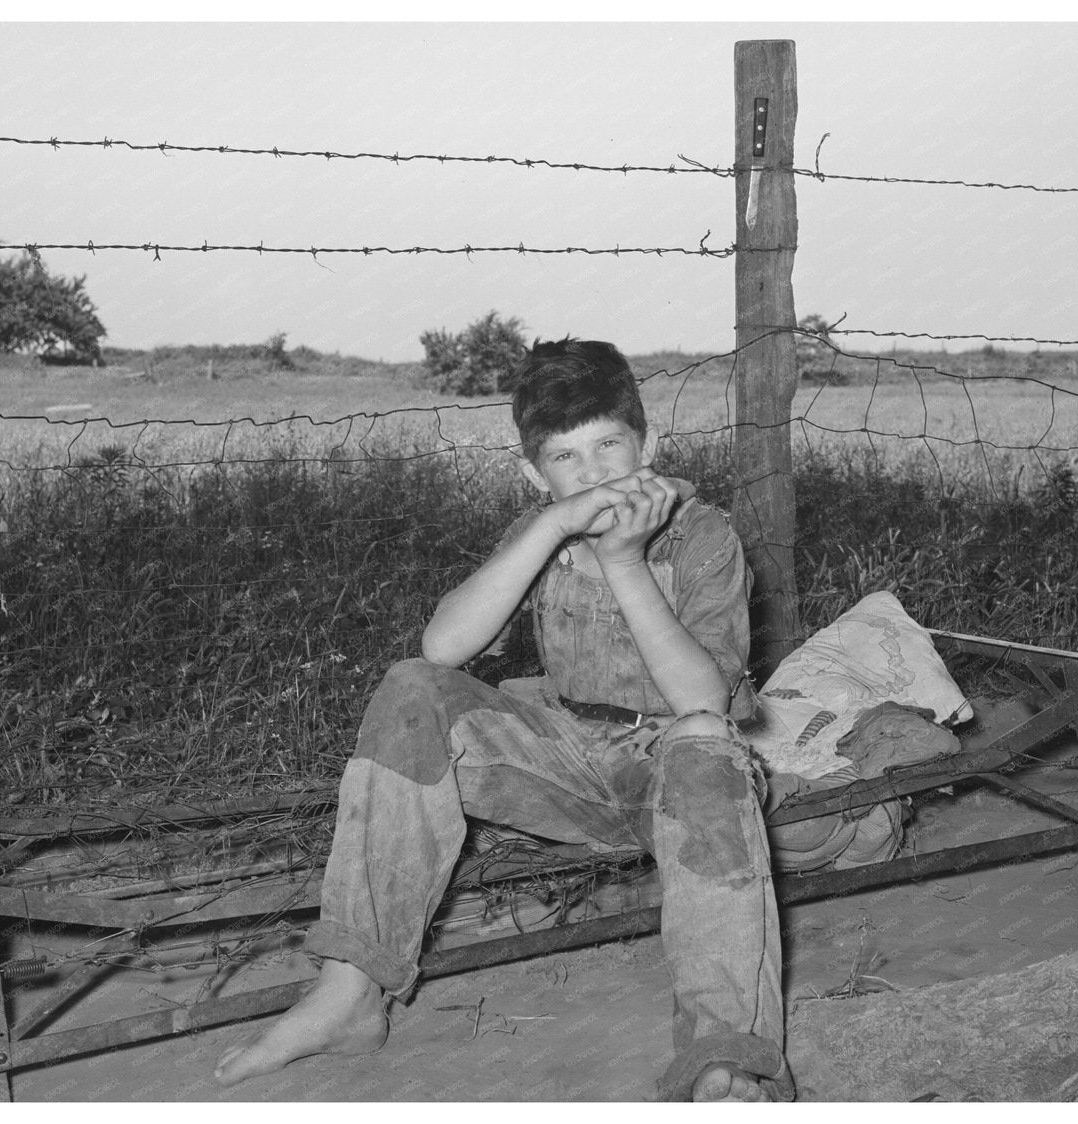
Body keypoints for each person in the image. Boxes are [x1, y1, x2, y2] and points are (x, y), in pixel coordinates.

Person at [214, 337, 794, 1101]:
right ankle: (350, 991)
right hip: (568, 760)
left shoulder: (703, 534)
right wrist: (549, 529)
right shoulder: (541, 532)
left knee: (702, 743)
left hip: (682, 775)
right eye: (565, 459)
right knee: (414, 686)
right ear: (533, 473)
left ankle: (724, 1053)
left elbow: (702, 700)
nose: (594, 476)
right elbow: (443, 646)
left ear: (647, 445)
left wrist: (623, 562)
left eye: (609, 447)